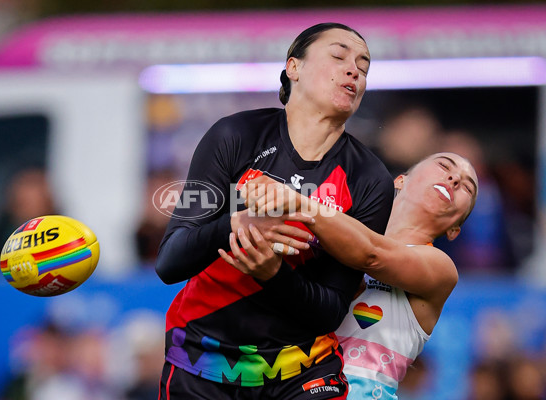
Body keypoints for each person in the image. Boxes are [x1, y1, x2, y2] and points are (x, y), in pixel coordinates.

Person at [155, 23, 394, 399]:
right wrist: (236, 223)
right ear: (293, 68)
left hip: (303, 372)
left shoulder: (369, 178)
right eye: (338, 56)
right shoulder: (234, 136)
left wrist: (273, 274)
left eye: (363, 67)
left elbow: (331, 309)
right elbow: (170, 261)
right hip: (201, 362)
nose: (354, 70)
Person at [230, 152, 478, 399]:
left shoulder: (440, 268)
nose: (454, 178)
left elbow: (370, 254)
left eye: (467, 187)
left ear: (454, 230)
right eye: (444, 165)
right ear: (400, 181)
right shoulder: (330, 228)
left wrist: (298, 203)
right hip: (285, 386)